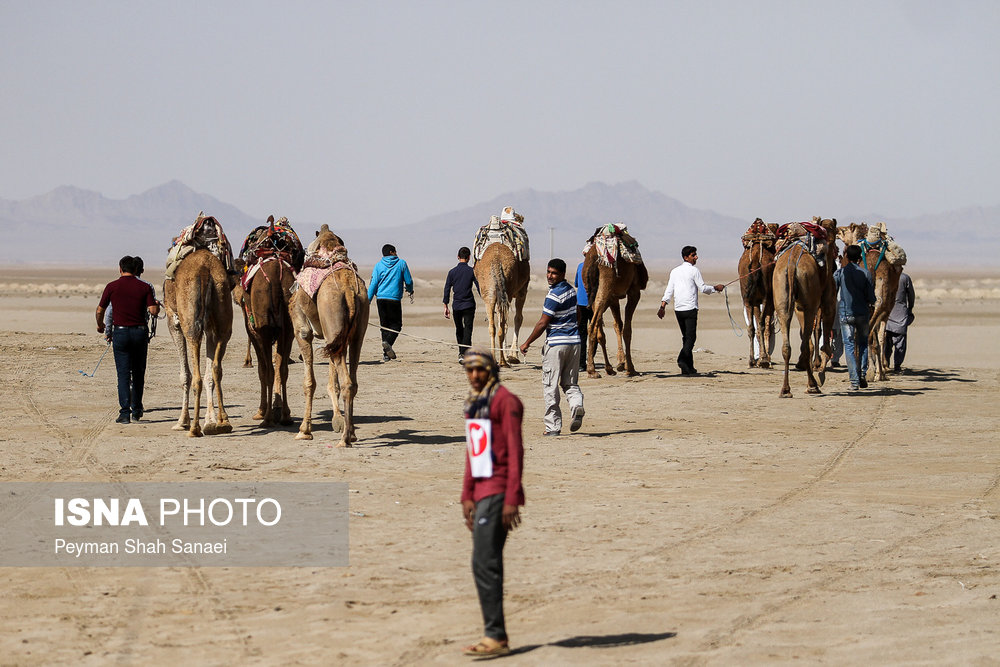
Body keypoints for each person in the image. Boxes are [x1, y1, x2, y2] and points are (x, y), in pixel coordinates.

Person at [460, 346, 524, 658]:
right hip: (481, 493)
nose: (474, 376)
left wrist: (513, 498)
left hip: (499, 493)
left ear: (491, 371)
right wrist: (466, 495)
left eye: (480, 370)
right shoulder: (476, 404)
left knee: (485, 562)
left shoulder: (505, 402)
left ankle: (496, 636)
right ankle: (494, 633)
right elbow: (473, 453)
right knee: (484, 562)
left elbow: (516, 451)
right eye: (469, 371)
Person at [519, 258, 584, 435]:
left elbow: (542, 323)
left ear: (562, 274)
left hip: (556, 345)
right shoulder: (572, 291)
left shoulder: (553, 296)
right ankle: (577, 405)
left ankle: (553, 427)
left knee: (550, 386)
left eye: (554, 273)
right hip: (575, 343)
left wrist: (527, 343)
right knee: (570, 383)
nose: (550, 276)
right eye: (548, 272)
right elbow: (578, 313)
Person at [96, 256, 159, 424]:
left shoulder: (111, 286)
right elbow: (153, 311)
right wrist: (156, 305)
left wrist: (100, 325)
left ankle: (124, 413)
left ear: (120, 268)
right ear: (137, 270)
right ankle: (137, 411)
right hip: (139, 333)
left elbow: (101, 310)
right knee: (139, 373)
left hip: (120, 334)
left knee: (123, 374)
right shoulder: (145, 286)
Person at [656, 246, 724, 375]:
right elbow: (703, 288)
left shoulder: (674, 271)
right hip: (690, 308)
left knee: (686, 338)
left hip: (678, 309)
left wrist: (662, 306)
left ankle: (688, 368)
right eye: (693, 255)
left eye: (696, 255)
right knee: (691, 338)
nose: (696, 257)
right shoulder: (694, 271)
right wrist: (716, 288)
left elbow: (668, 291)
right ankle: (681, 360)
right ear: (686, 257)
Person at [833, 245, 877, 391]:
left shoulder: (839, 273)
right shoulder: (866, 274)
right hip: (862, 314)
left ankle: (854, 381)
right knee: (863, 344)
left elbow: (833, 292)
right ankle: (862, 374)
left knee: (850, 346)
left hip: (845, 314)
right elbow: (871, 297)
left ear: (846, 257)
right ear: (860, 258)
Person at [367, 244, 414, 362]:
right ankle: (388, 344)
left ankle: (386, 354)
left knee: (384, 326)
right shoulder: (401, 263)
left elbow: (373, 284)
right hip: (394, 299)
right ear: (392, 252)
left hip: (381, 299)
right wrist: (410, 289)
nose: (397, 253)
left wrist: (367, 300)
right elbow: (408, 280)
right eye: (395, 251)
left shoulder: (378, 265)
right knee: (397, 325)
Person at [443, 246, 480, 361]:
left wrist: (446, 305)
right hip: (469, 305)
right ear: (469, 258)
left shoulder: (452, 272)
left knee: (459, 329)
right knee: (468, 329)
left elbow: (447, 289)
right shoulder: (472, 271)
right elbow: (479, 287)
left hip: (457, 306)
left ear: (458, 257)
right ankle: (465, 354)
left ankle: (461, 354)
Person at [884, 271, 915, 373]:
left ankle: (886, 363)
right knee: (900, 343)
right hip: (900, 314)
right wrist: (910, 308)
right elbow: (911, 295)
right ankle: (897, 366)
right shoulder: (904, 278)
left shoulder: (885, 275)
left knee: (886, 343)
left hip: (886, 314)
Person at [575, 256, 592, 371]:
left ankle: (581, 364)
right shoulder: (598, 267)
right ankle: (591, 359)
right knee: (594, 332)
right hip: (594, 303)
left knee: (582, 334)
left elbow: (576, 283)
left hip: (580, 303)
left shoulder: (580, 266)